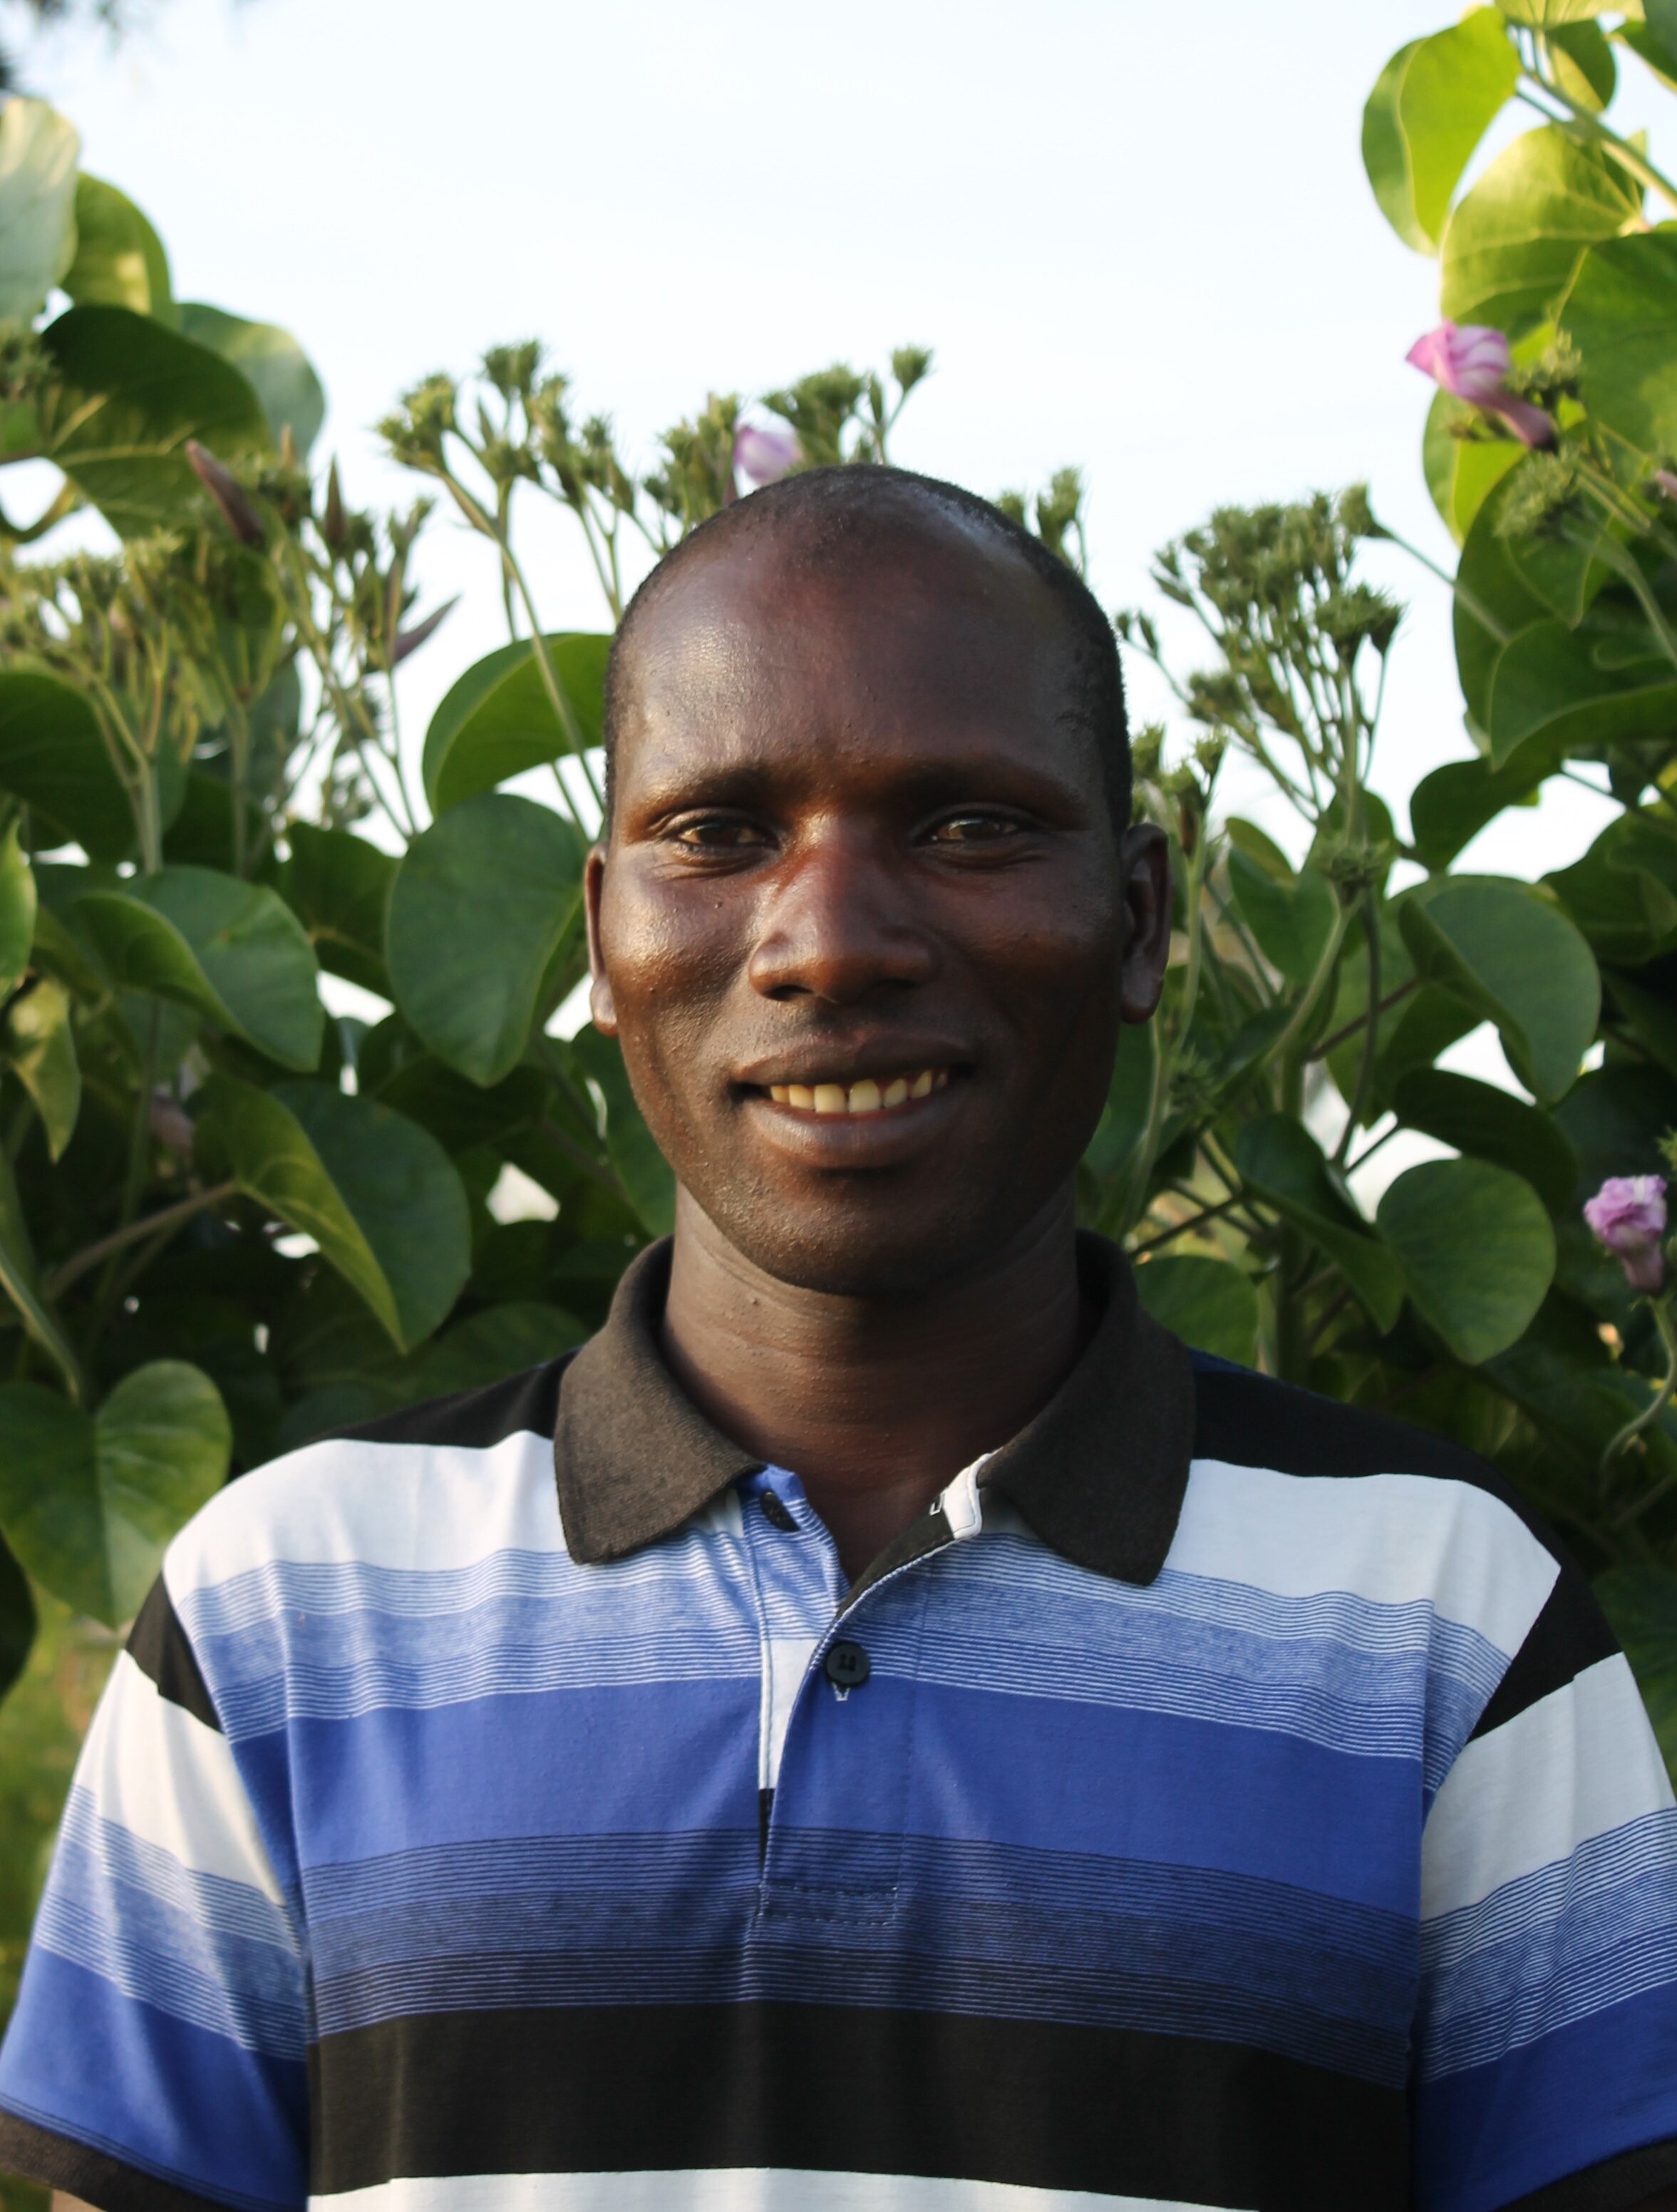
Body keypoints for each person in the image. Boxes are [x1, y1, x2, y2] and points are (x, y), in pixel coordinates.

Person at [1, 466, 1674, 2212]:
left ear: (1142, 919)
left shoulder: (1448, 1621)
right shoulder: (286, 1608)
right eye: (719, 832)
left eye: (965, 825)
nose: (829, 942)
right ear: (600, 936)